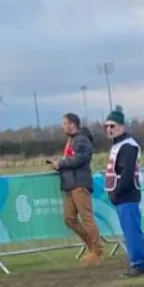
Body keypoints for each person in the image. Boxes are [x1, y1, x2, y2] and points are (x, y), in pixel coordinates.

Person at [46, 113, 103, 264]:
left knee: (87, 218)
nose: (62, 126)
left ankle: (97, 251)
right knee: (69, 218)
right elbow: (73, 159)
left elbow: (81, 158)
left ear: (72, 124)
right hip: (70, 185)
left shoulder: (81, 139)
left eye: (64, 123)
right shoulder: (72, 140)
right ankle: (92, 245)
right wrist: (58, 164)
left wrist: (61, 164)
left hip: (79, 184)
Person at [102, 106, 144, 277]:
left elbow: (126, 173)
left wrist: (117, 192)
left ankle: (139, 264)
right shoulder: (119, 145)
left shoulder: (128, 146)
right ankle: (140, 263)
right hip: (122, 196)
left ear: (122, 126)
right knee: (131, 230)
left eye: (112, 126)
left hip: (127, 196)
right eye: (106, 126)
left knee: (132, 231)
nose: (109, 129)